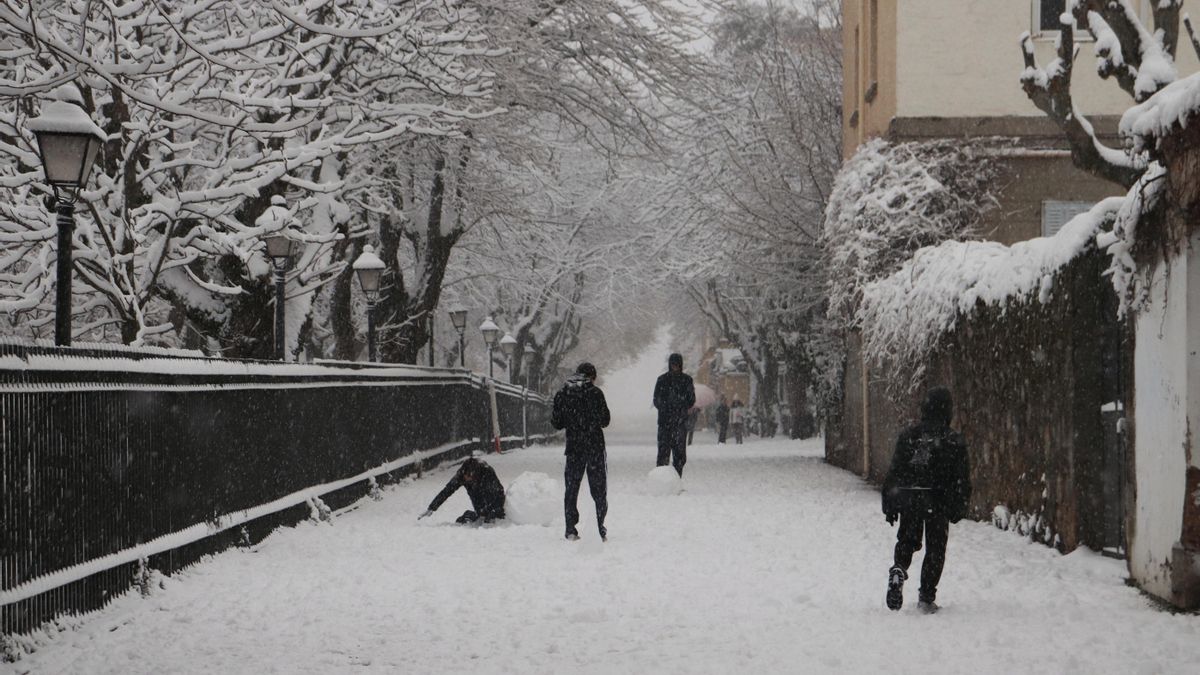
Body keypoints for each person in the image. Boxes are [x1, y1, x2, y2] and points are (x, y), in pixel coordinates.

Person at [881, 387, 972, 614]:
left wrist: (891, 503)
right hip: (937, 499)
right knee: (935, 548)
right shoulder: (953, 441)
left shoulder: (908, 436)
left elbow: (895, 472)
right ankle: (926, 596)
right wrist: (959, 504)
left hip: (911, 497)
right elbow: (961, 478)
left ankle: (899, 569)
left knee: (907, 540)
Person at [552, 362, 611, 541]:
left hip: (574, 447)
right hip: (594, 446)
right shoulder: (595, 393)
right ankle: (598, 526)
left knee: (571, 488)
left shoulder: (563, 393)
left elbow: (556, 422)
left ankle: (570, 528)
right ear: (592, 377)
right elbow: (605, 420)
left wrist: (573, 419)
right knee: (598, 489)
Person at [419, 457, 506, 524]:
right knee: (480, 513)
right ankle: (479, 514)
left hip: (492, 493)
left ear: (475, 473)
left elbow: (499, 492)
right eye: (465, 476)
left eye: (469, 476)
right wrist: (432, 507)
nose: (467, 478)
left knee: (492, 510)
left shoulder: (487, 472)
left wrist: (494, 510)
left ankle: (491, 513)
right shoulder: (461, 475)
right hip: (475, 493)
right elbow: (447, 490)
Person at [653, 353, 695, 477]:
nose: (675, 367)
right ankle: (661, 479)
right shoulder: (662, 380)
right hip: (665, 423)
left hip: (680, 423)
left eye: (677, 364)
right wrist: (666, 406)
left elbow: (691, 400)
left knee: (679, 456)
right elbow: (656, 400)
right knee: (663, 454)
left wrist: (679, 405)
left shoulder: (687, 380)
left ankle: (677, 478)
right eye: (673, 364)